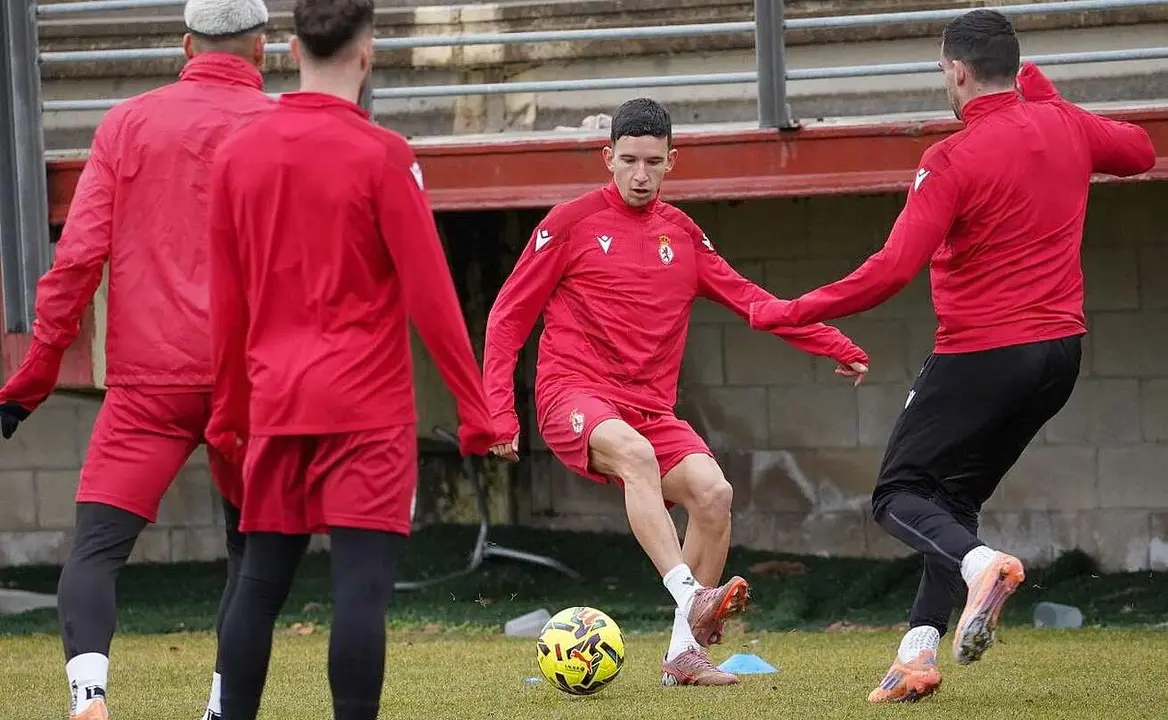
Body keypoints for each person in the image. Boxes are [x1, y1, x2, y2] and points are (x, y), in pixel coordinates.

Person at [748, 9, 1156, 704]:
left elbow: (890, 270)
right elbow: (1141, 151)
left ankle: (980, 567)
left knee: (898, 496)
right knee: (951, 500)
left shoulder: (951, 157)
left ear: (958, 72)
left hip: (983, 355)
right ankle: (916, 654)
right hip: (1060, 357)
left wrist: (793, 311)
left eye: (943, 71)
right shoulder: (1065, 124)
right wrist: (1051, 100)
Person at [482, 97, 871, 686]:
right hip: (572, 395)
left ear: (672, 161)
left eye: (653, 162)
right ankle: (691, 596)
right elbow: (507, 317)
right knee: (636, 455)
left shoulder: (682, 235)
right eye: (629, 161)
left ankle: (683, 656)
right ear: (607, 157)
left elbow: (753, 302)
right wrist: (499, 414)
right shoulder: (569, 223)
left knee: (714, 494)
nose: (640, 175)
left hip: (649, 410)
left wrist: (831, 343)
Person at [205, 1, 497, 718]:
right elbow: (433, 297)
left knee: (258, 587)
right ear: (367, 53)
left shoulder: (237, 154)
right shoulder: (383, 155)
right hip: (366, 414)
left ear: (286, 50)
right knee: (360, 592)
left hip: (277, 405)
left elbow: (227, 304)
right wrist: (477, 411)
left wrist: (229, 418)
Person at [0, 2, 276, 718]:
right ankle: (223, 707)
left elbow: (77, 259)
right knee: (251, 555)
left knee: (96, 548)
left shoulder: (128, 122)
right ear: (263, 50)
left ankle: (89, 695)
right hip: (251, 382)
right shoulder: (283, 128)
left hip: (148, 382)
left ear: (185, 46)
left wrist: (33, 377)